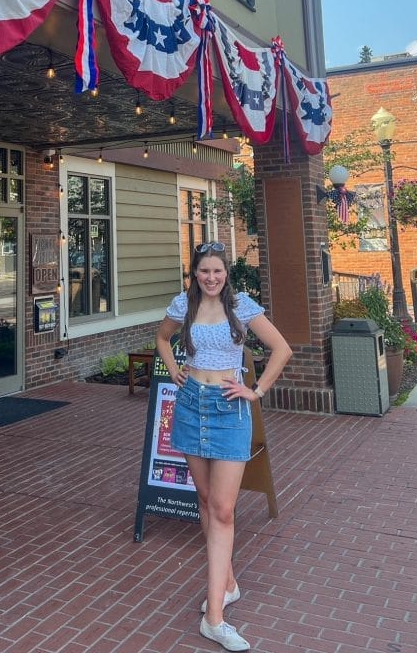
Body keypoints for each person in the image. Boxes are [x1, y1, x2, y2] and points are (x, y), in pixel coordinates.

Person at [156, 242, 292, 652]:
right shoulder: (184, 305)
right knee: (203, 497)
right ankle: (227, 584)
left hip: (229, 409)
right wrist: (174, 368)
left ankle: (214, 618)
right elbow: (162, 338)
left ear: (226, 273)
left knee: (224, 509)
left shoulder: (242, 306)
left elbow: (281, 349)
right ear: (194, 274)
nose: (210, 278)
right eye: (203, 272)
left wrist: (256, 390)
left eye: (217, 271)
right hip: (191, 403)